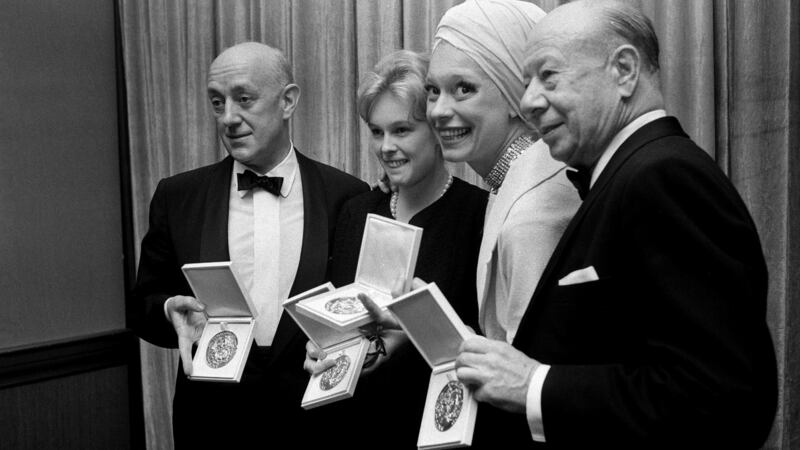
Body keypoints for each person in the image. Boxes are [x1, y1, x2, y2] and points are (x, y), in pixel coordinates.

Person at [454, 1, 778, 448]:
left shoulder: (662, 177)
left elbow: (720, 400)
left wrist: (533, 385)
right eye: (525, 81)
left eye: (548, 76)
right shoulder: (626, 173)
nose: (528, 101)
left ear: (624, 70)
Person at [131, 42, 368, 448]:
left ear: (288, 101)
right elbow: (142, 306)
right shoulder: (177, 196)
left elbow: (360, 311)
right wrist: (170, 309)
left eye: (244, 100)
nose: (228, 118)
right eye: (217, 102)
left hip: (317, 424)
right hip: (211, 423)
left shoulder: (347, 196)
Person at [303, 50, 488, 449]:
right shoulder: (355, 211)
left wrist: (413, 332)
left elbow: (489, 338)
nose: (386, 146)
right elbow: (343, 316)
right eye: (376, 131)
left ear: (437, 129)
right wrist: (322, 345)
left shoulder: (479, 215)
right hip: (354, 425)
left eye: (402, 130)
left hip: (435, 428)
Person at [425, 0, 581, 349]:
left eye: (463, 88)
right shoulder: (520, 175)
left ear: (517, 95)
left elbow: (526, 372)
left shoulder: (530, 214)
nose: (438, 110)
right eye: (432, 90)